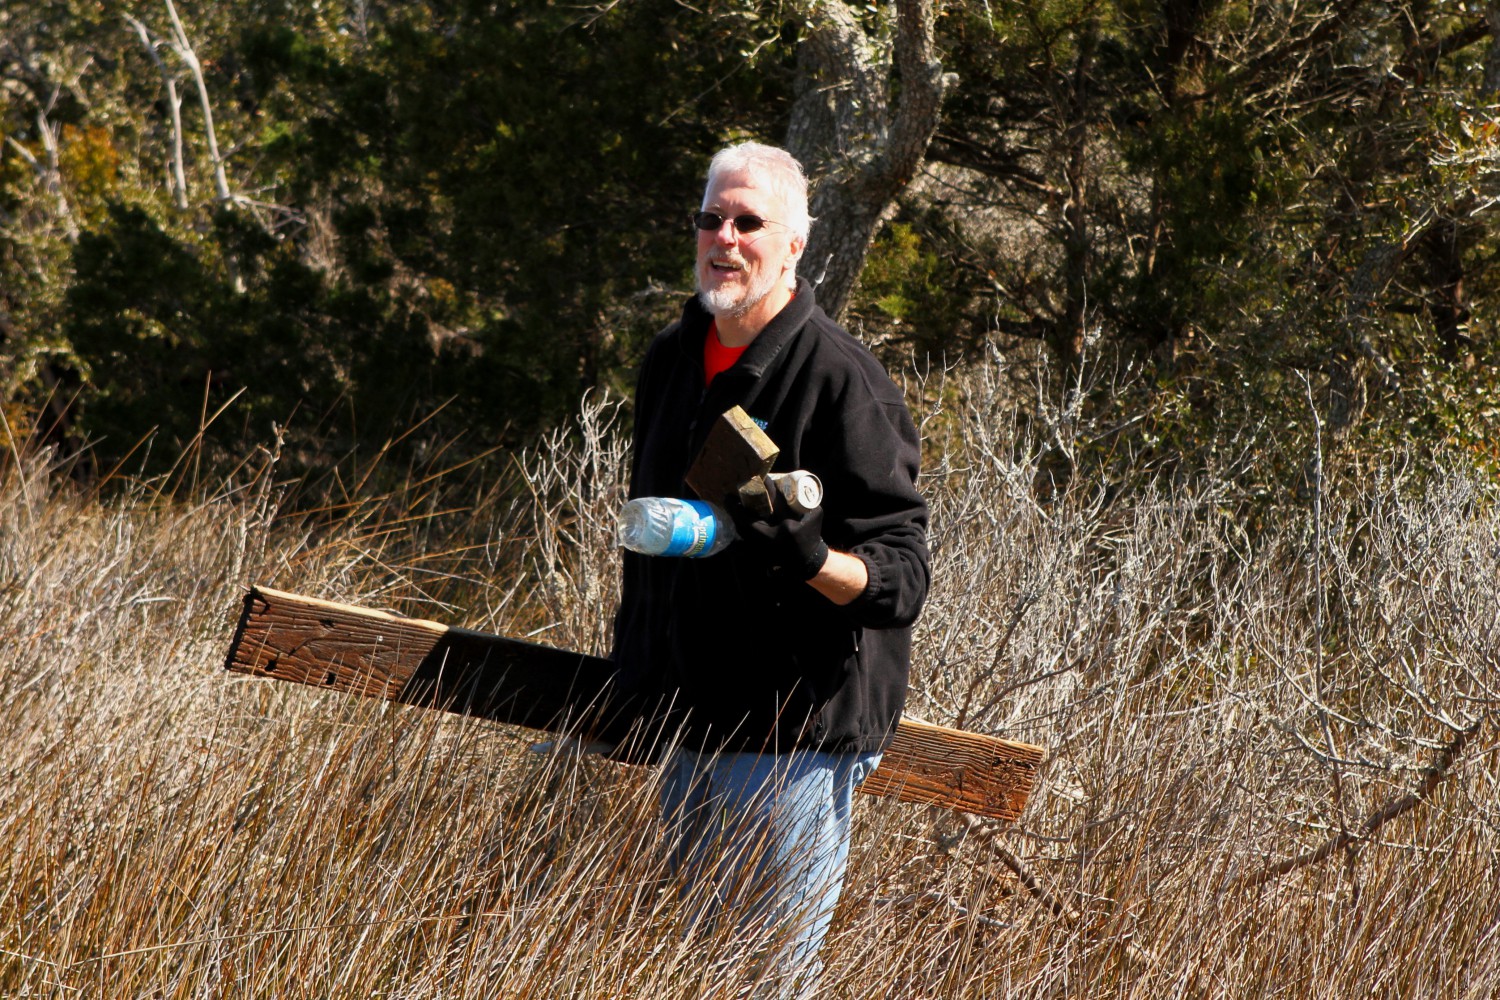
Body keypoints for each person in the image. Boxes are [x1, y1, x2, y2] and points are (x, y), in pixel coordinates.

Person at [609, 141, 929, 995]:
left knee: (764, 983)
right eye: (711, 218)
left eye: (750, 222)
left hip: (791, 742)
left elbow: (901, 581)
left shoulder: (843, 382)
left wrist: (813, 558)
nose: (725, 238)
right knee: (696, 975)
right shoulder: (670, 361)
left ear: (795, 245)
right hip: (687, 725)